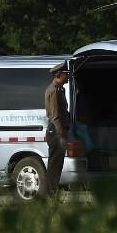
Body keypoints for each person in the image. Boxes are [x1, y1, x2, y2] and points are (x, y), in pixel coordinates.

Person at [44, 62, 70, 196]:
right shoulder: (53, 91)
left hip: (58, 131)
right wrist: (61, 136)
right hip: (56, 132)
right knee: (54, 165)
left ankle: (52, 192)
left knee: (57, 164)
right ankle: (49, 193)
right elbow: (55, 117)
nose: (68, 76)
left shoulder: (60, 89)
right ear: (58, 74)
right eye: (66, 74)